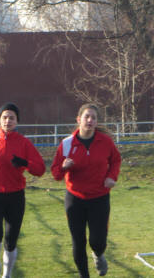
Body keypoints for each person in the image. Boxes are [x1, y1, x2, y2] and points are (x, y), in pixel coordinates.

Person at [0, 102, 46, 278]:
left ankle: (7, 274)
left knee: (11, 239)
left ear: (17, 121)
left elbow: (40, 169)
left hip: (15, 195)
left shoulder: (24, 143)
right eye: (5, 117)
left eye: (12, 118)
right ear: (0, 119)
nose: (8, 121)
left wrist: (25, 163)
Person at [51, 103, 121, 277]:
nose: (90, 120)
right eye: (86, 117)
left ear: (97, 122)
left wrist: (112, 176)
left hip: (99, 197)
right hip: (75, 199)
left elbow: (116, 160)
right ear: (78, 120)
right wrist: (64, 167)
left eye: (93, 118)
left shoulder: (105, 142)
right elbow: (56, 174)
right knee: (78, 241)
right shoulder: (67, 144)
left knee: (98, 241)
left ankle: (98, 254)